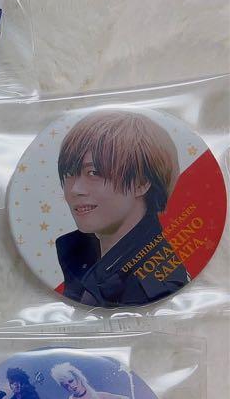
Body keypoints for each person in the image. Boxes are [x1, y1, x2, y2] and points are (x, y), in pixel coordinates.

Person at [55, 110, 189, 306]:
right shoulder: (77, 254)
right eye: (69, 174)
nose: (75, 189)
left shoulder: (155, 285)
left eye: (94, 172)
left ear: (141, 183)